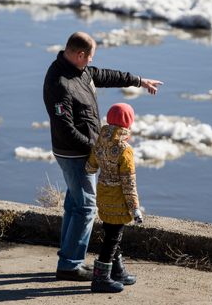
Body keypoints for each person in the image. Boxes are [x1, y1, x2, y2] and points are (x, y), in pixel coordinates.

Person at [43, 31, 162, 281]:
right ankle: (69, 265)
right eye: (90, 57)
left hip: (82, 151)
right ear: (80, 54)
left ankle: (68, 259)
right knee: (85, 207)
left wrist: (138, 81)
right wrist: (95, 149)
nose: (91, 63)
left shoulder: (81, 70)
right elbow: (65, 128)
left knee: (74, 204)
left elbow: (105, 75)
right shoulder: (58, 82)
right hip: (74, 153)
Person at [85, 103, 142, 293]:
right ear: (128, 123)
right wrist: (135, 208)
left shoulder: (100, 142)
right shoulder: (125, 149)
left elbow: (90, 168)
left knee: (110, 234)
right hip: (118, 200)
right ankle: (101, 278)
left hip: (102, 197)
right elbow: (129, 182)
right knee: (113, 239)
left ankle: (117, 271)